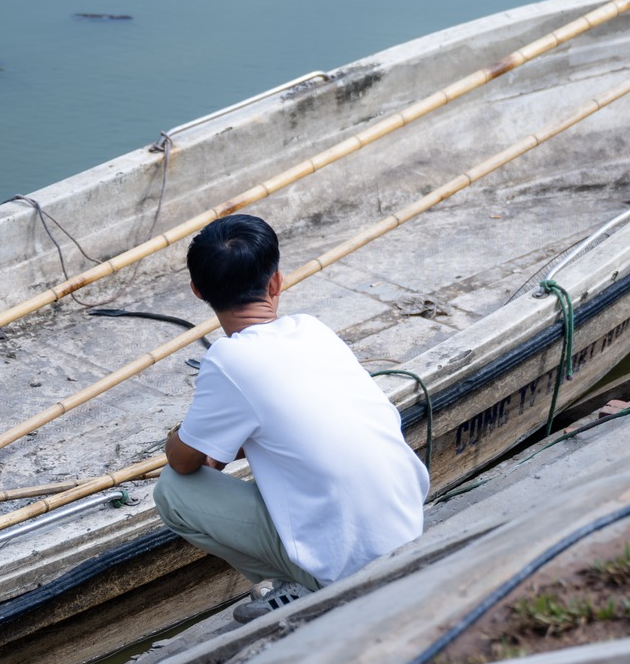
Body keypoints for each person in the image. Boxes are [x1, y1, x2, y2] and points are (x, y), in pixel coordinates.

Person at [155, 214, 428, 623]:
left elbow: (181, 461)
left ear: (198, 291)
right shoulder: (313, 330)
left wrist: (186, 435)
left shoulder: (228, 360)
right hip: (409, 533)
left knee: (173, 491)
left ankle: (302, 589)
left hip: (349, 571)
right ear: (276, 282)